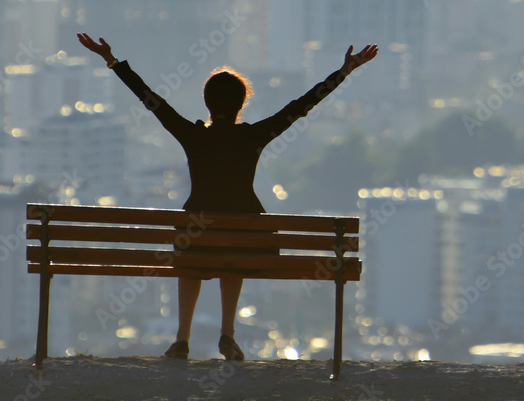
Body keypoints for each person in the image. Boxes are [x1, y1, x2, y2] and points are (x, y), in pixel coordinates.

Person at [77, 31, 378, 361]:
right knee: (234, 254)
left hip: (196, 234)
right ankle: (227, 334)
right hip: (243, 237)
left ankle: (182, 339)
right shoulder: (254, 137)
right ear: (241, 103)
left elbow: (150, 101)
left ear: (207, 103)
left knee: (189, 261)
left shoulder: (191, 135)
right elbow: (300, 107)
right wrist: (344, 72)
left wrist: (112, 61)